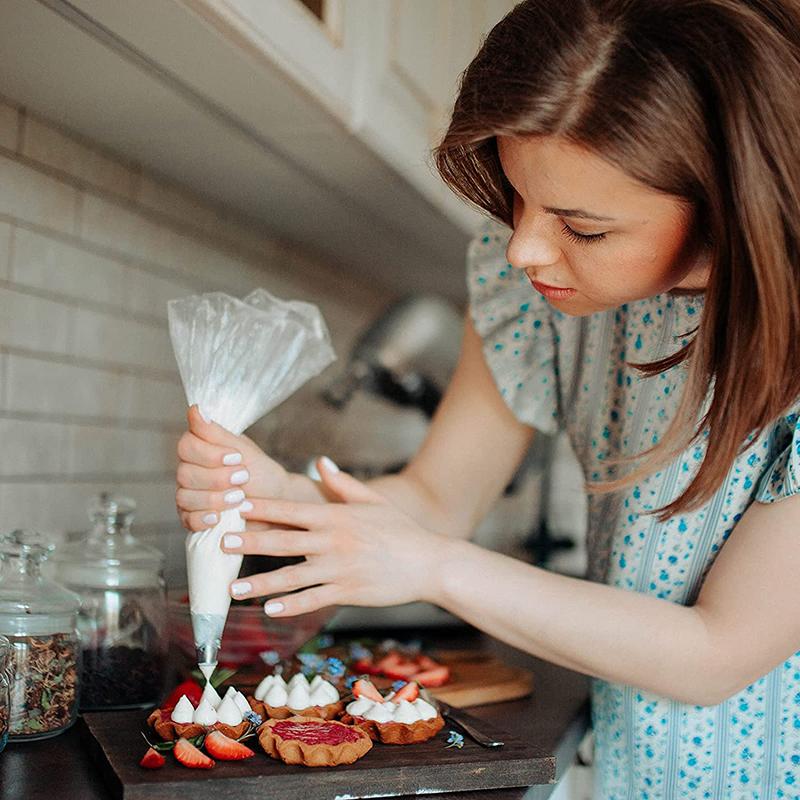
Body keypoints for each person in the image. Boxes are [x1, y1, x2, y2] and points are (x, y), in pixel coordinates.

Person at [175, 1, 800, 796]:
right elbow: (437, 498)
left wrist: (434, 566)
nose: (524, 248)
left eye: (584, 226)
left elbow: (717, 653)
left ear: (732, 204)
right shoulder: (537, 287)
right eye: (516, 198)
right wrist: (293, 500)